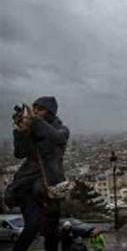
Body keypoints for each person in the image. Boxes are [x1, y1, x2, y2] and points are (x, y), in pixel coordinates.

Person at [9, 96, 70, 251]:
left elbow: (57, 138)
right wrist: (22, 131)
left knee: (51, 230)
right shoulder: (31, 130)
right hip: (27, 184)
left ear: (50, 112)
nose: (35, 112)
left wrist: (36, 122)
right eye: (33, 108)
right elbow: (20, 153)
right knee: (32, 225)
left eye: (39, 109)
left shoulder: (61, 129)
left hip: (49, 185)